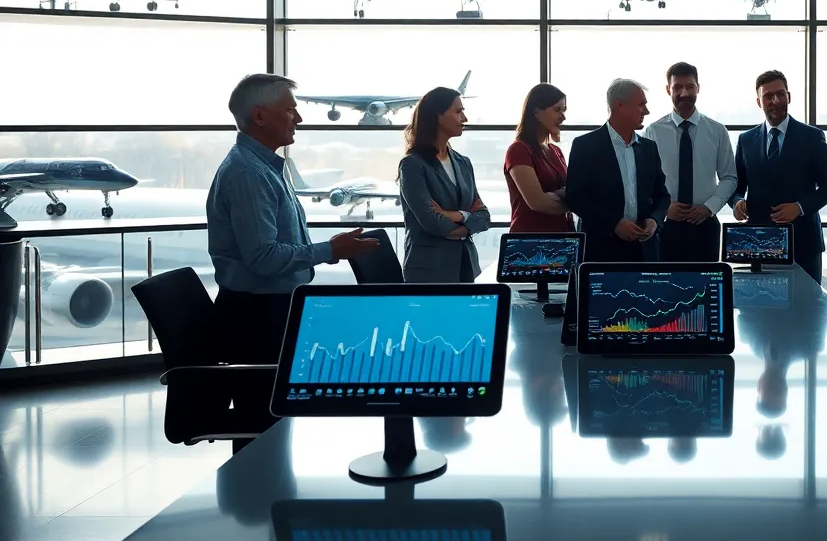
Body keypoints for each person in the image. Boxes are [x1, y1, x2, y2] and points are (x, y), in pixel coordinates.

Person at [206, 73, 379, 453]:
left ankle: (265, 503)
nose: (298, 118)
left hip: (272, 310)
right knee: (264, 432)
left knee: (275, 429)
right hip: (258, 319)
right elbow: (264, 257)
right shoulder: (249, 174)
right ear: (260, 116)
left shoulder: (266, 166)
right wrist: (331, 249)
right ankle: (257, 506)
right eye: (290, 110)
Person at [731, 70, 827, 284]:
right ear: (759, 102)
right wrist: (737, 202)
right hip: (760, 243)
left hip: (804, 243)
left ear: (788, 96)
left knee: (807, 312)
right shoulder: (746, 140)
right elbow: (737, 186)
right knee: (761, 312)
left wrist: (799, 207)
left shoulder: (812, 136)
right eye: (768, 96)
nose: (775, 101)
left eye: (780, 94)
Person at [566, 79, 670, 263]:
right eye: (641, 105)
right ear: (620, 106)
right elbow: (575, 197)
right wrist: (613, 224)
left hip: (645, 251)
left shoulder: (649, 148)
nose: (646, 111)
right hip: (601, 251)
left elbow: (662, 196)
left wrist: (654, 221)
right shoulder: (585, 146)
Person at [644, 62, 738, 262]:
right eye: (677, 87)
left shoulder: (717, 131)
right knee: (665, 288)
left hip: (705, 226)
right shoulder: (653, 131)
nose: (684, 93)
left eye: (689, 87)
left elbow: (729, 177)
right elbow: (644, 180)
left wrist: (709, 208)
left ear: (698, 88)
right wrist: (665, 207)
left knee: (707, 289)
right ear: (668, 89)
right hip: (666, 225)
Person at [397, 87, 491, 283]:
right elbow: (432, 222)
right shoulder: (412, 165)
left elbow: (484, 216)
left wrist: (456, 216)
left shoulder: (463, 162)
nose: (464, 118)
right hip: (429, 271)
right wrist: (467, 222)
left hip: (467, 266)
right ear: (437, 116)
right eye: (458, 112)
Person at [504, 83, 573, 233]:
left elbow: (574, 193)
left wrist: (564, 197)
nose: (563, 117)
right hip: (529, 242)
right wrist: (571, 199)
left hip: (561, 238)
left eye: (564, 110)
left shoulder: (556, 151)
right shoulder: (518, 150)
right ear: (536, 112)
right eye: (557, 110)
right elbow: (538, 203)